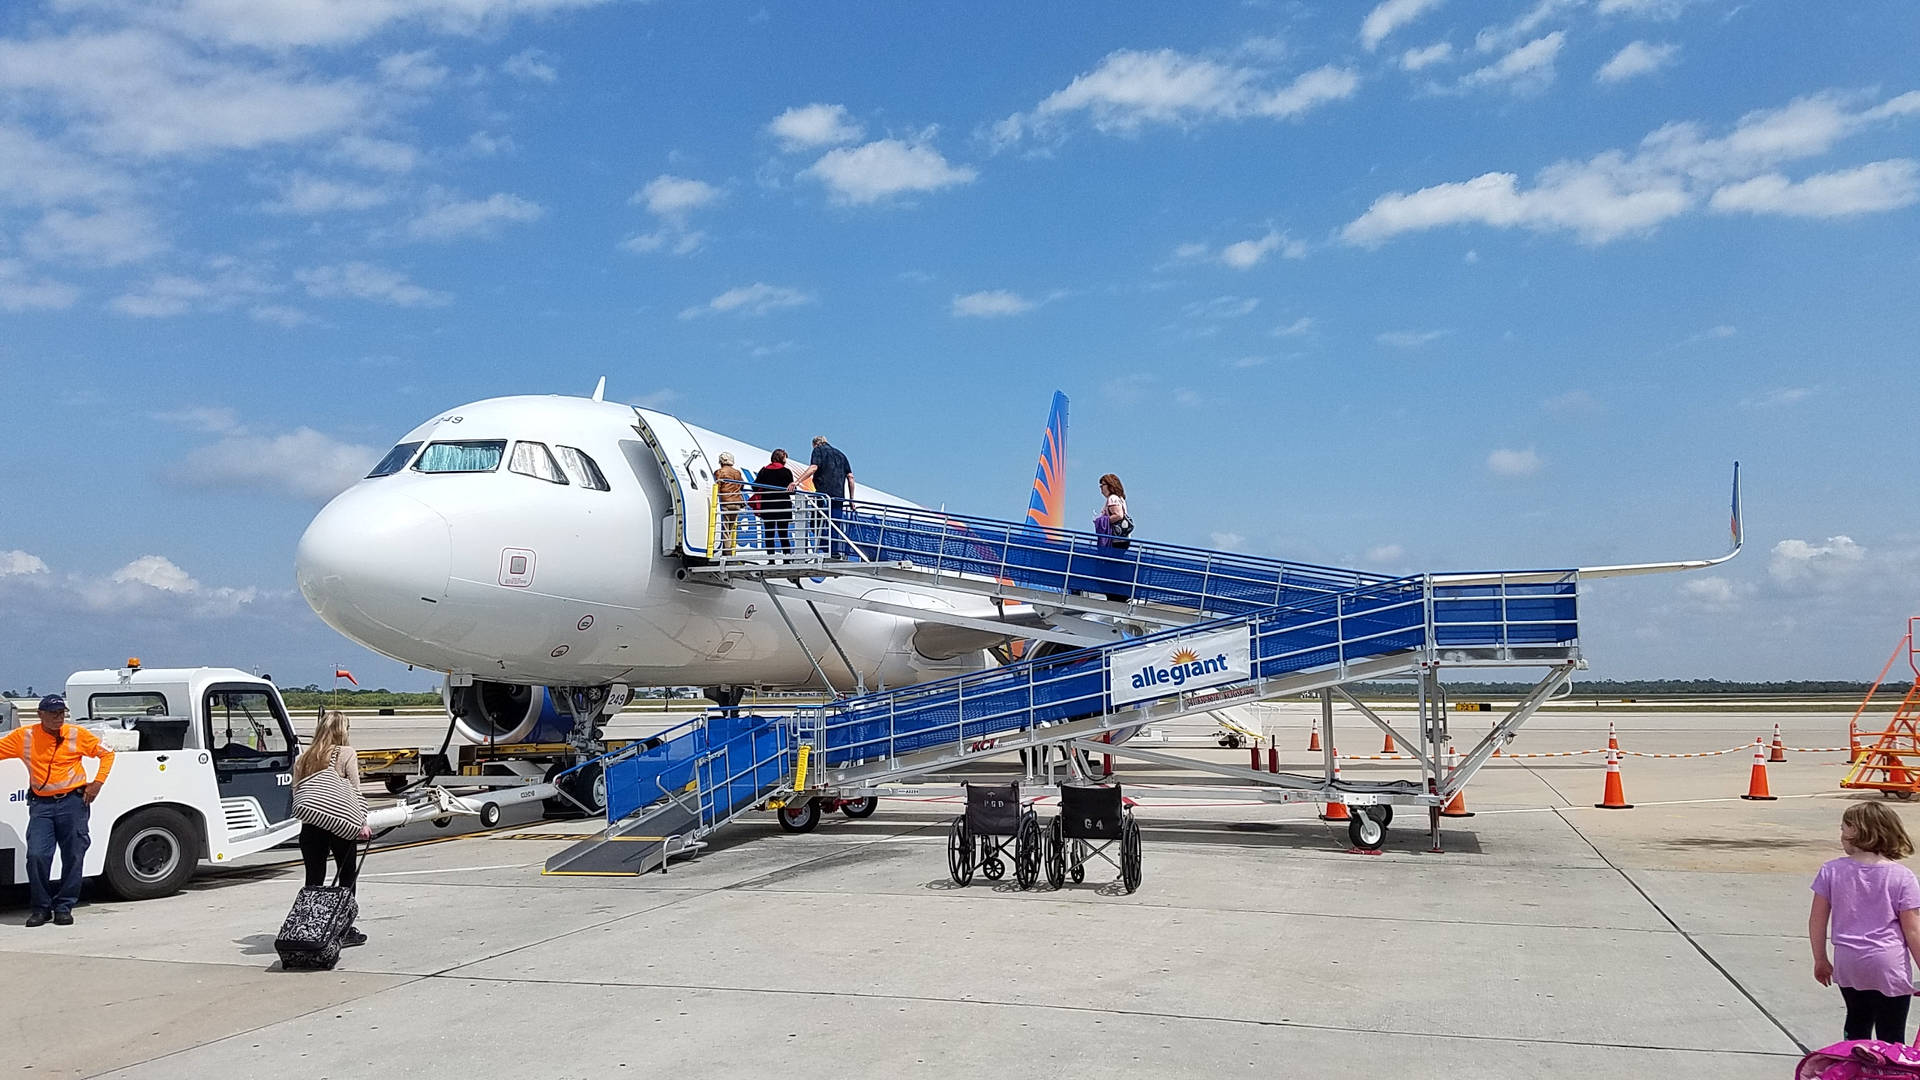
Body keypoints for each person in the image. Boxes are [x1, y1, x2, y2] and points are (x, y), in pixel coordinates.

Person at [1810, 801, 1920, 1043]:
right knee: (1891, 1031)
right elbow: (1912, 930)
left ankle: (1854, 1067)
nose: (1840, 836)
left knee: (1857, 1019)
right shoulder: (1902, 876)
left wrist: (1820, 958)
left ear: (1857, 833)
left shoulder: (1831, 871)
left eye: (1843, 829)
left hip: (1849, 961)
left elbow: (1817, 920)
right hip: (1887, 962)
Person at [0, 695, 114, 926]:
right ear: (40, 714)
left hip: (73, 802)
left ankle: (64, 906)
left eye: (61, 713)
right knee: (37, 855)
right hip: (41, 805)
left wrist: (97, 783)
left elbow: (107, 753)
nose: (57, 717)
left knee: (73, 854)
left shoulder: (76, 734)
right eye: (52, 713)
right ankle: (41, 908)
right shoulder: (25, 737)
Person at [292, 710, 371, 948]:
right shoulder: (346, 753)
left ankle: (309, 927)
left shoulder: (304, 757)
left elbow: (298, 793)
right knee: (346, 875)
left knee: (313, 879)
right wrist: (362, 822)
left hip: (311, 826)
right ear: (342, 730)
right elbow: (355, 792)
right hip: (339, 824)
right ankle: (343, 929)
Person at [792, 435, 855, 557]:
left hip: (823, 495)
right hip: (839, 496)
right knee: (835, 525)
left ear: (816, 444)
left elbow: (813, 468)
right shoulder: (841, 455)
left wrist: (797, 482)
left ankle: (824, 545)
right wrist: (851, 499)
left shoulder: (818, 450)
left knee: (815, 523)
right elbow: (851, 478)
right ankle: (834, 552)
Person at [1091, 473, 1134, 601]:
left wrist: (1102, 521)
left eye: (1102, 485)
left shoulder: (1112, 499)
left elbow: (1119, 515)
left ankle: (1117, 596)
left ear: (1109, 485)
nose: (1101, 489)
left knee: (1105, 569)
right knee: (1113, 567)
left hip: (1116, 540)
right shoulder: (1120, 498)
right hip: (1123, 540)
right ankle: (1117, 595)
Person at [753, 449, 796, 560]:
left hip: (768, 505)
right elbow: (791, 490)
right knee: (783, 534)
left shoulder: (764, 471)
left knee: (769, 534)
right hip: (783, 506)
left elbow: (755, 486)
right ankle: (786, 559)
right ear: (782, 458)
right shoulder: (786, 472)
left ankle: (771, 559)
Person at [713, 451, 746, 555]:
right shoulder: (737, 473)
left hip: (726, 501)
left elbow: (717, 486)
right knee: (731, 528)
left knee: (726, 529)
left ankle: (726, 552)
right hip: (737, 502)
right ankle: (730, 550)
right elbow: (742, 485)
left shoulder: (720, 472)